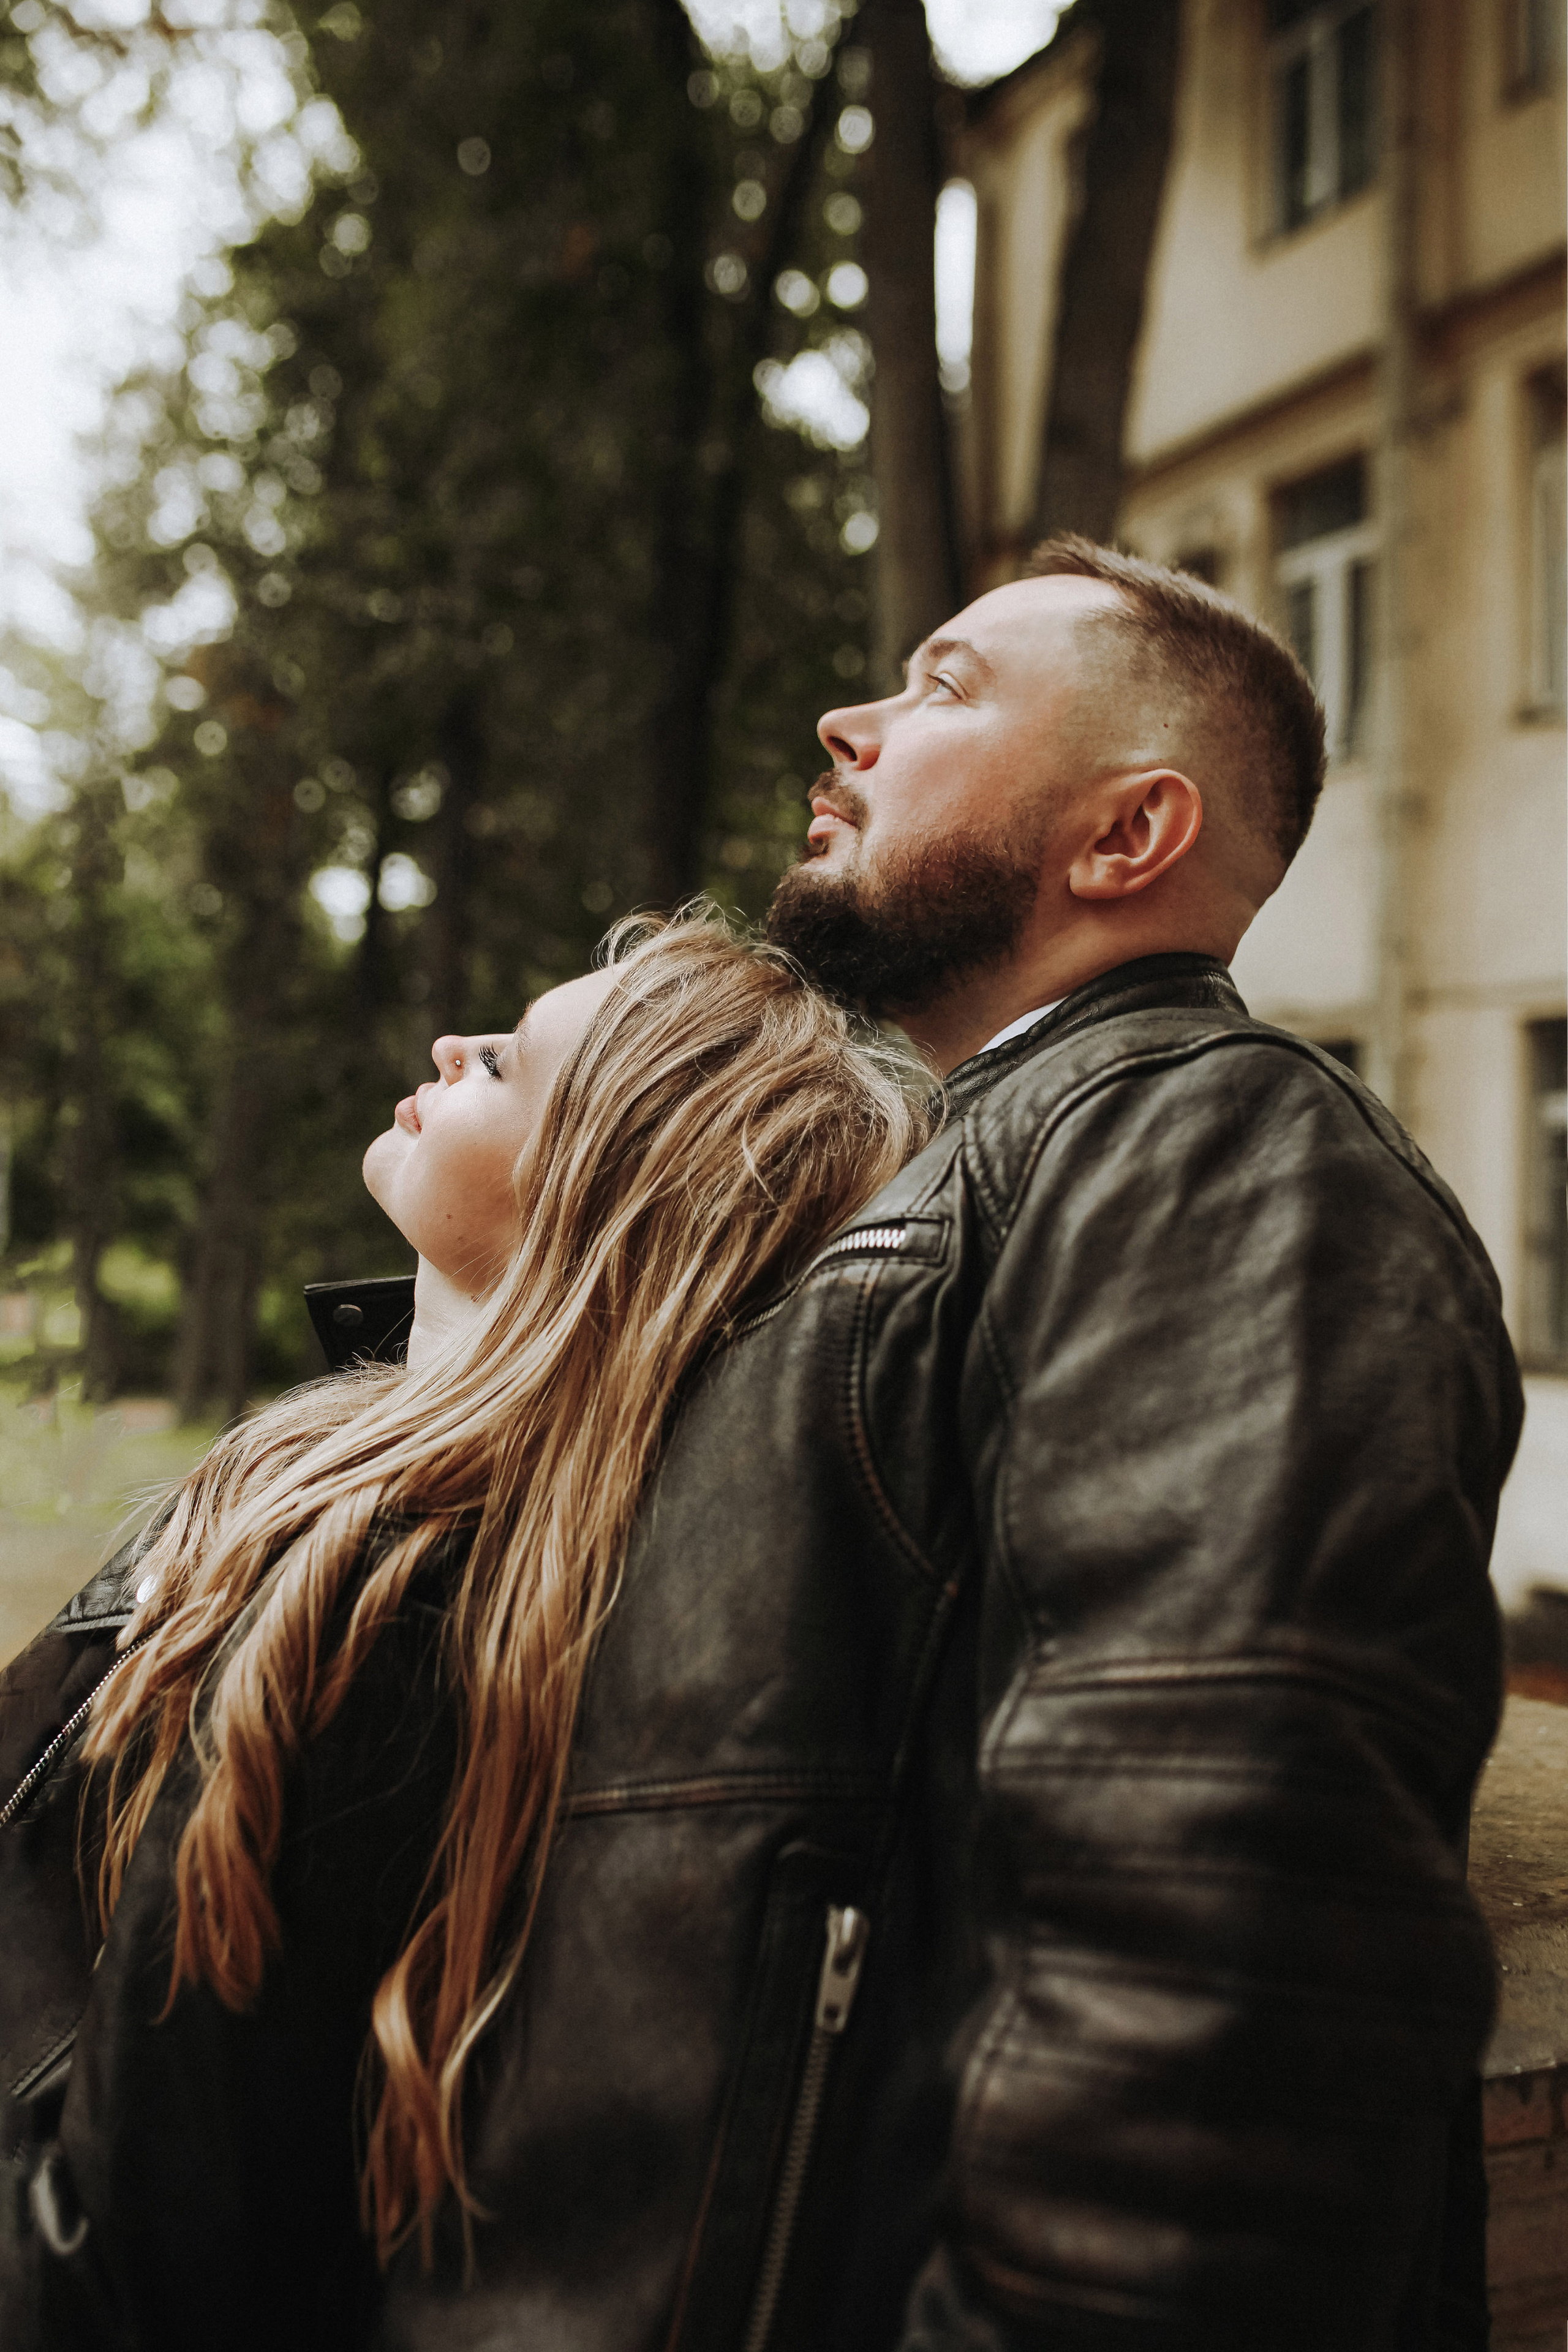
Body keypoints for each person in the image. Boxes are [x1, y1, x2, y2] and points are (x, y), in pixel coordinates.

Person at [3, 535, 1521, 2352]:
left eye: (945, 687)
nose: (848, 721)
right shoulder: (951, 1193)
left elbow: (1229, 1947)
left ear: (1128, 837)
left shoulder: (1204, 1140)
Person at [0, 916, 929, 2348]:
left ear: (591, 1195)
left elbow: (142, 2247)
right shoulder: (333, 1469)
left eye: (506, 1065)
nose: (449, 1046)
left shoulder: (395, 1606)